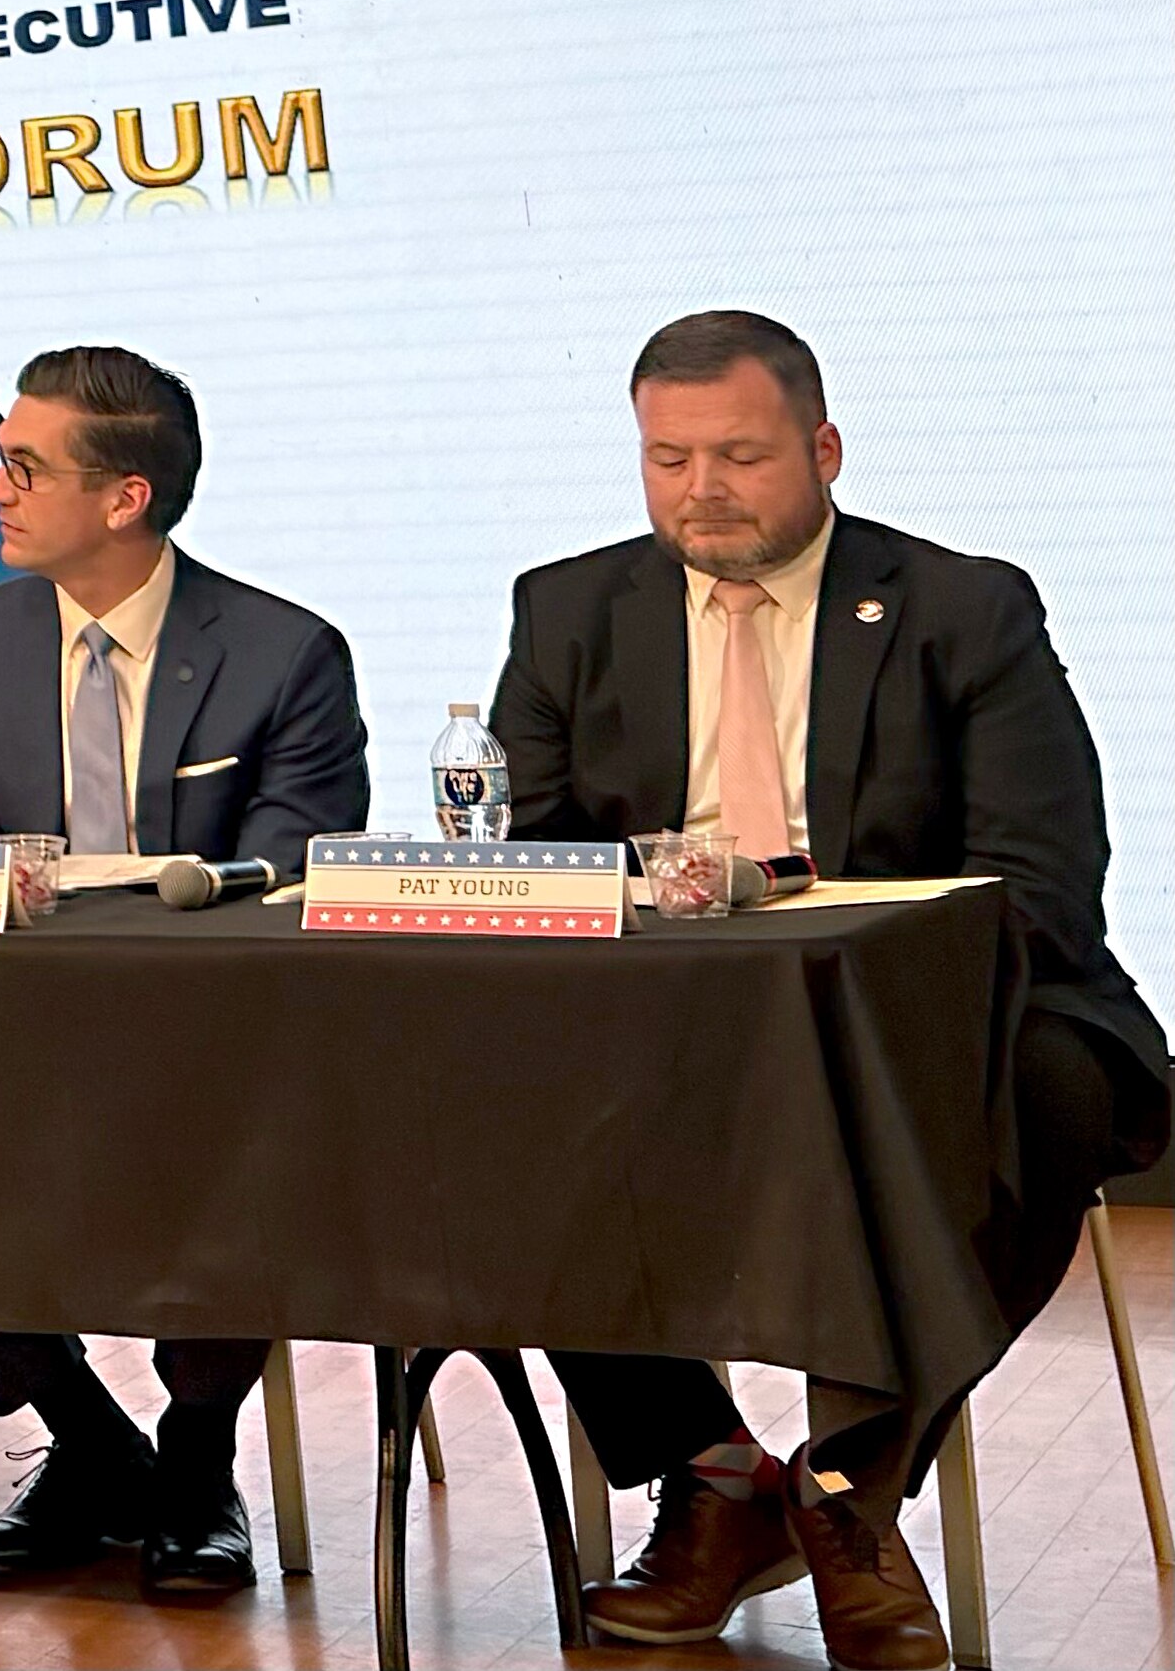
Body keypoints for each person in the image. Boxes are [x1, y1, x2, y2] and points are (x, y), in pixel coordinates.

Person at [493, 310, 1165, 1671]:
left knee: (1055, 1090)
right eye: (668, 458)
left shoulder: (964, 606)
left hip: (932, 1002)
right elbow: (532, 861)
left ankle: (850, 1483)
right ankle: (715, 1480)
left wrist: (862, 985)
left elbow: (1041, 878)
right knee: (484, 1100)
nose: (701, 489)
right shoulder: (568, 610)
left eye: (738, 455)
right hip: (670, 1006)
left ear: (824, 448)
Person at [0, 343, 366, 1602]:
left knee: (238, 1126)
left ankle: (198, 1458)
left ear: (125, 497)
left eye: (23, 467)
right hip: (23, 1020)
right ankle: (91, 1438)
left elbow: (285, 872)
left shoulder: (284, 650)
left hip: (213, 1027)